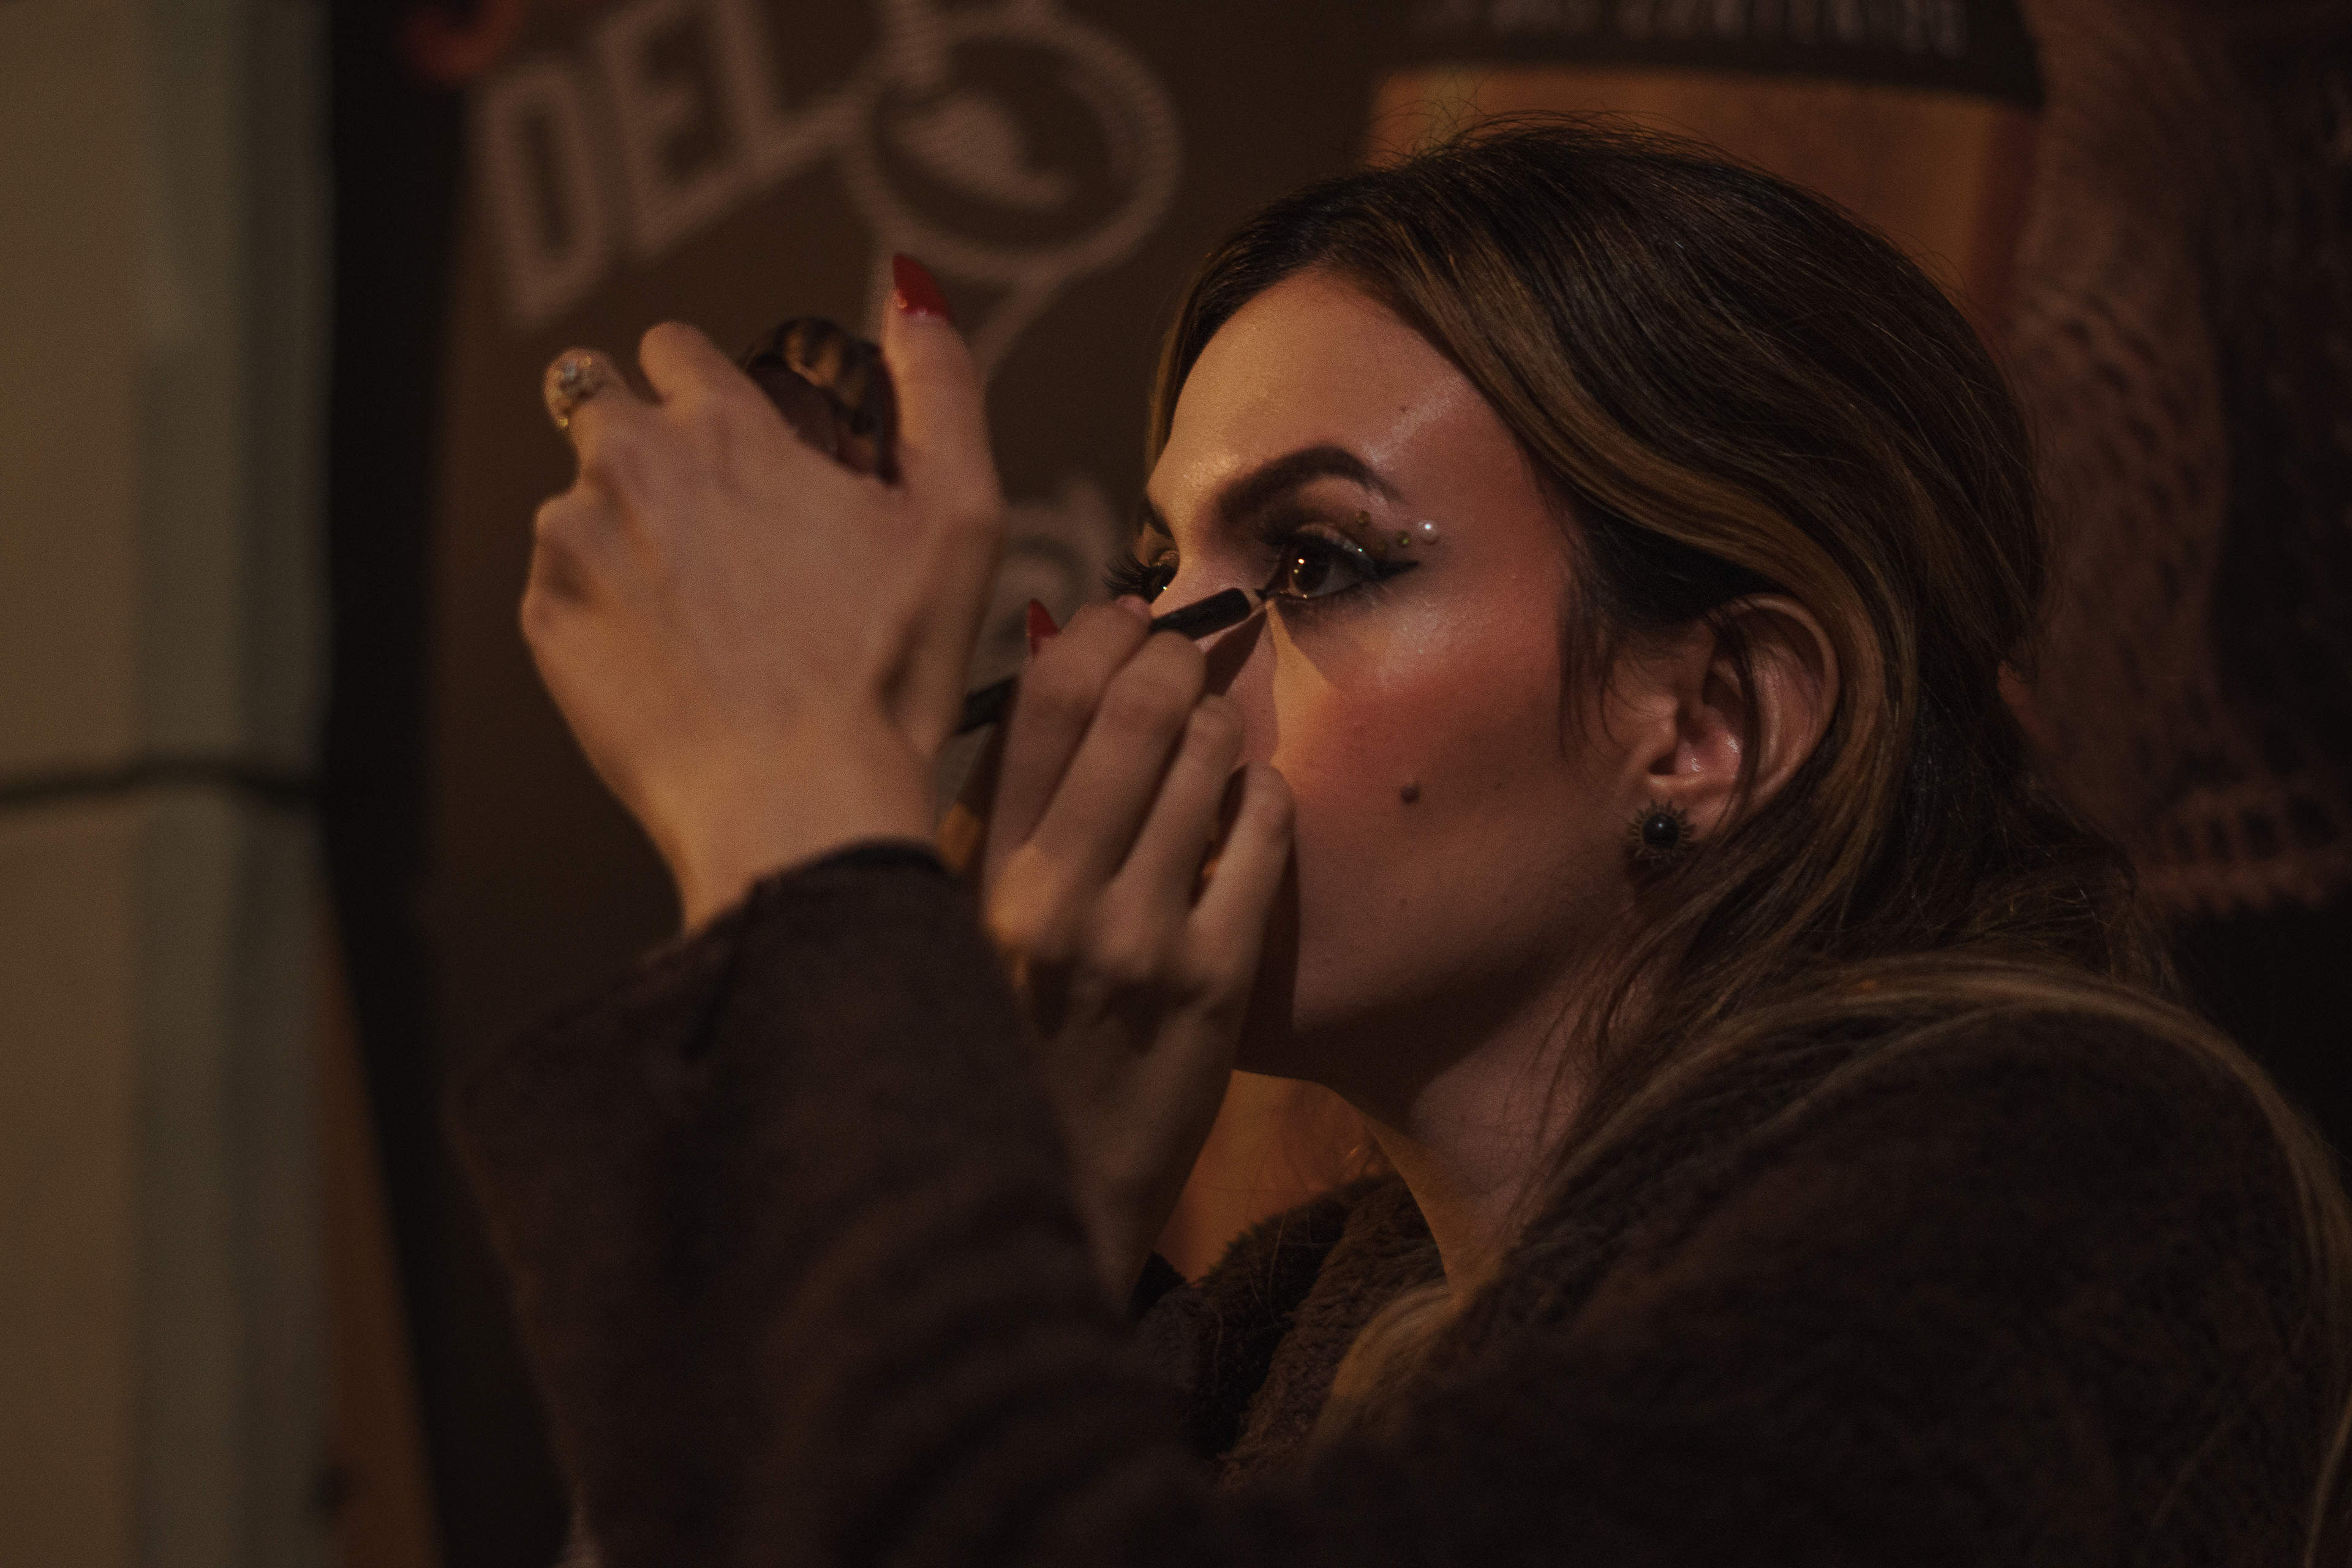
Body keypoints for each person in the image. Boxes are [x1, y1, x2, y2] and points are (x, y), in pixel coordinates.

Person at [459, 123, 2352, 1566]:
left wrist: (799, 816)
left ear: (1712, 720)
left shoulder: (2066, 1187)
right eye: (1149, 566)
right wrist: (1043, 1184)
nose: (1148, 662)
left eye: (1316, 561)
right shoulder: (1306, 1317)